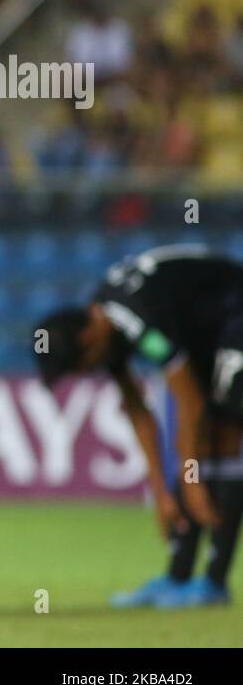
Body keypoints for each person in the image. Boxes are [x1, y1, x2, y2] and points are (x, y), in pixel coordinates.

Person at [34, 243, 243, 607]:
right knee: (199, 445)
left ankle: (213, 583)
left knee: (222, 433)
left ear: (88, 338)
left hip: (234, 315)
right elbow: (137, 409)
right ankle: (178, 579)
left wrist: (191, 483)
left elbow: (190, 404)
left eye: (77, 367)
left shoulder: (139, 320)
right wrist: (161, 492)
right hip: (206, 330)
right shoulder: (107, 331)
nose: (84, 374)